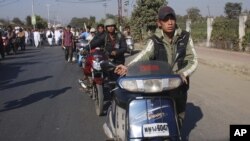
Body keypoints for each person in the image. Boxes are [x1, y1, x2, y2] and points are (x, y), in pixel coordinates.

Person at [115, 5, 198, 128]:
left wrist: (183, 73)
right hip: (159, 84)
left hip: (179, 83)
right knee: (156, 114)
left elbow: (193, 60)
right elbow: (145, 54)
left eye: (172, 19)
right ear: (159, 23)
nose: (170, 22)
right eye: (165, 20)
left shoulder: (185, 37)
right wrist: (128, 67)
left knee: (178, 118)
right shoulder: (154, 40)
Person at [78, 18, 127, 87]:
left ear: (115, 27)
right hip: (107, 60)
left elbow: (124, 48)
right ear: (106, 28)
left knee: (120, 80)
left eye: (112, 26)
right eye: (108, 26)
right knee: (107, 78)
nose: (111, 28)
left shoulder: (120, 36)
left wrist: (116, 52)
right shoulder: (104, 36)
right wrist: (86, 48)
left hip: (119, 61)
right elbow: (94, 43)